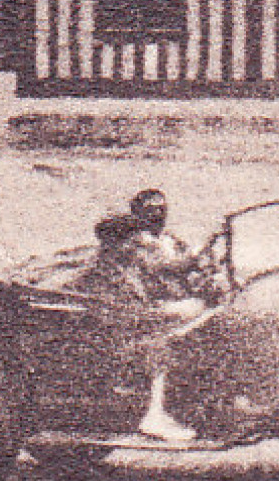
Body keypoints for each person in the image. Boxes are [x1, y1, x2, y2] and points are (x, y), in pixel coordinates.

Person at [80, 189, 213, 442]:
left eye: (161, 209)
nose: (157, 215)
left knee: (195, 312)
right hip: (123, 321)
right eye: (150, 211)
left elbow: (170, 271)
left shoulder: (152, 246)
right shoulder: (128, 251)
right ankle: (154, 415)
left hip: (138, 313)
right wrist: (197, 255)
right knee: (172, 333)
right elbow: (166, 266)